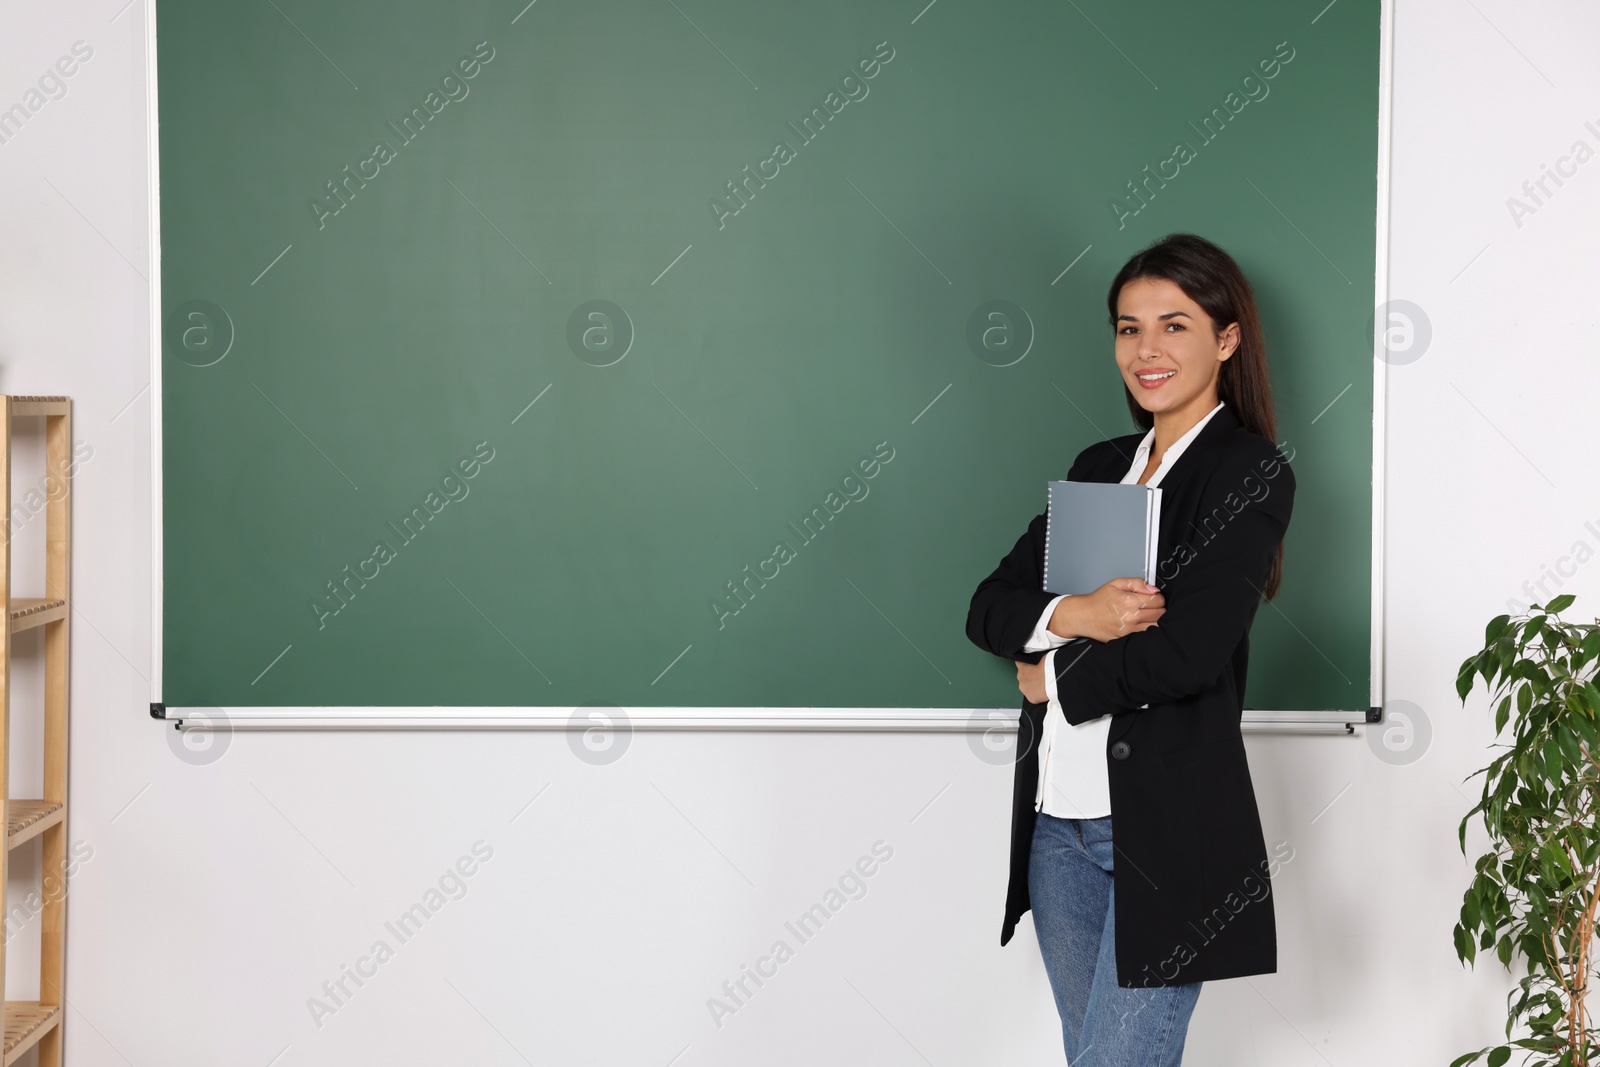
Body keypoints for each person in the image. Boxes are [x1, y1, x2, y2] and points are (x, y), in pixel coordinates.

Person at [965, 233, 1296, 1064]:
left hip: (1164, 832)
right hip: (1056, 827)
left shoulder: (1246, 470)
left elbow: (1188, 654)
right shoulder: (1101, 464)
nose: (1147, 350)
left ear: (1226, 340)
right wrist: (1080, 610)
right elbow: (989, 608)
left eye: (1174, 326)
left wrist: (1051, 681)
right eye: (1127, 328)